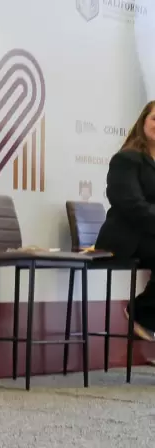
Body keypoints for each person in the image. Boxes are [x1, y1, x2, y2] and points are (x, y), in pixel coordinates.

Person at [96, 100, 155, 341]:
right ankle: (140, 313)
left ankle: (145, 313)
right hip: (125, 237)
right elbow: (132, 205)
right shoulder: (126, 159)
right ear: (143, 122)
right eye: (154, 119)